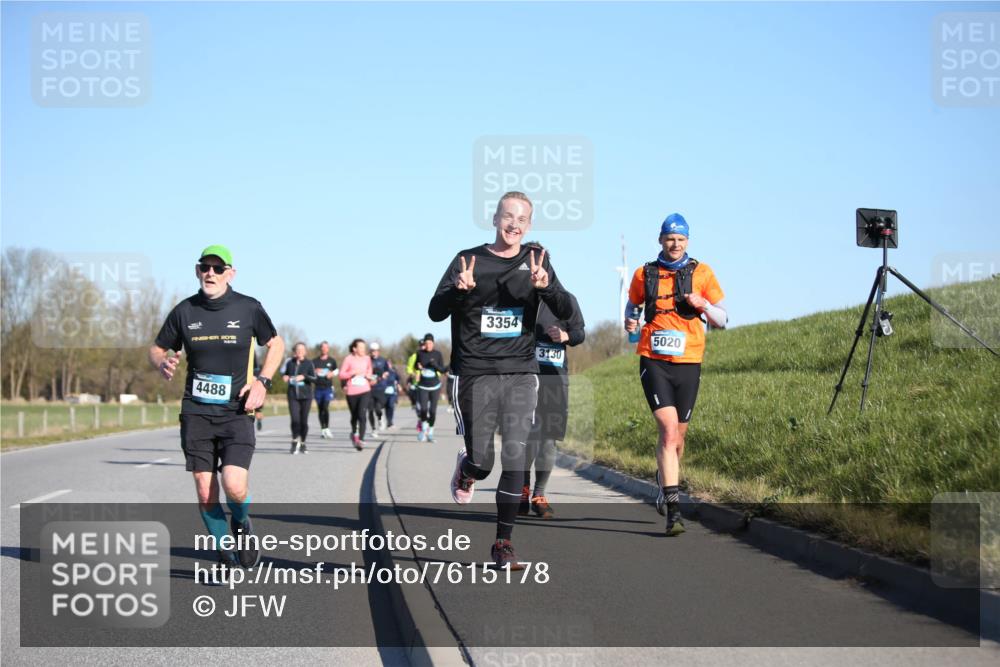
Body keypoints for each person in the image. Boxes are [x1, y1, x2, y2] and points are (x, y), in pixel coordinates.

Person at [429, 191, 574, 569]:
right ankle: (468, 469)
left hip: (521, 373)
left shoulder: (536, 262)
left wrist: (547, 287)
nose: (514, 224)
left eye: (522, 219)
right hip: (475, 372)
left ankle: (503, 544)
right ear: (495, 219)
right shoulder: (468, 260)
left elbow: (568, 311)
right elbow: (434, 311)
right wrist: (457, 291)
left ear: (529, 225)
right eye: (508, 216)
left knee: (515, 454)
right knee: (484, 461)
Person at [149, 244, 284, 569]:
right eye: (205, 267)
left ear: (230, 273)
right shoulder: (184, 311)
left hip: (236, 412)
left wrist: (262, 382)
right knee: (204, 489)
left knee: (234, 486)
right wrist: (161, 362)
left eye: (218, 268)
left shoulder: (248, 308)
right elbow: (156, 348)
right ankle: (224, 550)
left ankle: (242, 524)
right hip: (196, 412)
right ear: (198, 271)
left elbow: (276, 344)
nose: (210, 273)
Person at [625, 213, 727, 536]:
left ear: (687, 242)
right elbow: (632, 306)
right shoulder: (644, 273)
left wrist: (704, 306)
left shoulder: (703, 273)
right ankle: (673, 512)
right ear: (660, 240)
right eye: (670, 238)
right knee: (669, 431)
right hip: (653, 360)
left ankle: (663, 479)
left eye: (681, 239)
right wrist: (630, 325)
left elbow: (723, 319)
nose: (675, 244)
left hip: (689, 361)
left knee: (678, 438)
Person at [521, 292, 585, 519]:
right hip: (522, 378)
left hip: (554, 380)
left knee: (547, 439)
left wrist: (566, 336)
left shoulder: (565, 300)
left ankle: (539, 495)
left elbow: (579, 333)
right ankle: (522, 489)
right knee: (526, 437)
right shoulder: (518, 297)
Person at [282, 342, 317, 454]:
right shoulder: (289, 362)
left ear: (305, 351)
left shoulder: (309, 363)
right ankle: (294, 441)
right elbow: (284, 374)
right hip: (292, 394)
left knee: (303, 421)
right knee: (295, 419)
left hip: (306, 395)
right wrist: (285, 377)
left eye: (302, 349)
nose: (300, 351)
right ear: (294, 351)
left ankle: (303, 443)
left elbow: (314, 378)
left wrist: (304, 377)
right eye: (298, 349)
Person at [339, 338, 374, 450]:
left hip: (365, 390)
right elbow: (341, 375)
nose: (363, 349)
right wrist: (352, 372)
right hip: (352, 391)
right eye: (361, 347)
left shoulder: (367, 358)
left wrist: (368, 375)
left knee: (362, 415)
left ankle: (361, 439)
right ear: (354, 349)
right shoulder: (348, 359)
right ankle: (354, 434)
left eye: (364, 347)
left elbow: (369, 370)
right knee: (354, 416)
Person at [414, 333, 447, 442]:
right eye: (426, 343)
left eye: (430, 343)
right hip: (423, 386)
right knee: (423, 409)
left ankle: (431, 432)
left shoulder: (438, 354)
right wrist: (418, 366)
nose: (428, 345)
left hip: (435, 386)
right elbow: (415, 366)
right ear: (424, 343)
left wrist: (434, 365)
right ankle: (424, 429)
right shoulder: (420, 353)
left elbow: (442, 370)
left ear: (433, 343)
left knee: (432, 411)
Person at [313, 341, 338, 439]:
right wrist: (315, 371)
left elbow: (337, 370)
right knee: (320, 409)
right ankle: (323, 429)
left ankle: (327, 428)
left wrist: (332, 374)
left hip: (328, 387)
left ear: (328, 349)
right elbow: (309, 372)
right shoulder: (314, 361)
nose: (324, 349)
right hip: (318, 387)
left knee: (325, 407)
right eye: (323, 347)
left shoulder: (332, 360)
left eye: (326, 347)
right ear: (320, 349)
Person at [367, 342, 390, 438]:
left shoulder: (383, 360)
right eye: (372, 351)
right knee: (370, 410)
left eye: (375, 351)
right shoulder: (367, 360)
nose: (374, 353)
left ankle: (380, 419)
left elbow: (387, 371)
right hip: (369, 388)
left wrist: (383, 376)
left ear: (378, 351)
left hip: (380, 387)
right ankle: (373, 429)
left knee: (378, 408)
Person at [405, 339, 425, 434]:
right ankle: (420, 420)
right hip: (417, 384)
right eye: (421, 346)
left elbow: (437, 370)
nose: (422, 347)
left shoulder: (431, 355)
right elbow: (408, 369)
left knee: (426, 407)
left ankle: (426, 423)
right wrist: (413, 374)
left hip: (428, 384)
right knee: (418, 406)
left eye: (424, 345)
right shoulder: (414, 356)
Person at [383, 359, 402, 429]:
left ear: (391, 365)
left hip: (392, 392)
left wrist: (399, 385)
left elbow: (398, 379)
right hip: (384, 392)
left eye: (389, 364)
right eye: (386, 364)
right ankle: (388, 422)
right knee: (387, 407)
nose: (388, 366)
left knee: (391, 405)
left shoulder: (393, 372)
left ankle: (390, 422)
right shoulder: (383, 372)